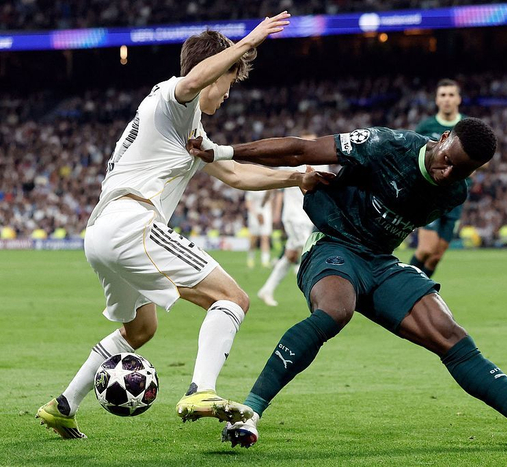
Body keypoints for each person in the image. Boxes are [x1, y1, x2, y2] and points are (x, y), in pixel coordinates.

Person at [187, 119, 507, 449]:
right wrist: (223, 151)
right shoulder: (386, 145)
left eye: (461, 170)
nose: (447, 172)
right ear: (442, 138)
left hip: (380, 261)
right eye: (447, 159)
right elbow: (301, 149)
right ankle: (251, 412)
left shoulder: (454, 193)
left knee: (450, 335)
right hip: (333, 245)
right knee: (335, 310)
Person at [36, 13, 333, 440]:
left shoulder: (188, 127)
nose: (229, 92)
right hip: (132, 224)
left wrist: (297, 177)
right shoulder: (170, 98)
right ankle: (201, 391)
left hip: (102, 232)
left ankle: (64, 406)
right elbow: (192, 80)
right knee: (232, 298)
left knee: (141, 329)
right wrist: (249, 41)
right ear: (213, 70)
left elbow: (235, 174)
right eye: (230, 79)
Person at [257, 132, 329, 307]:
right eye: (308, 142)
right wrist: (266, 205)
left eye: (314, 142)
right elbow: (272, 181)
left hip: (309, 216)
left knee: (290, 255)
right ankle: (322, 297)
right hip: (294, 217)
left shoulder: (322, 163)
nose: (312, 145)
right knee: (312, 253)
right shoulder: (292, 162)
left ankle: (266, 290)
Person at [409, 79, 465, 277]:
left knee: (436, 256)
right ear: (437, 100)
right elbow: (413, 154)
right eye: (443, 95)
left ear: (458, 99)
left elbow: (484, 160)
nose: (447, 99)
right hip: (430, 193)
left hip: (455, 197)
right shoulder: (426, 126)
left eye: (451, 95)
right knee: (426, 249)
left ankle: (420, 289)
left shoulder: (467, 127)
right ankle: (404, 286)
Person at [245, 190, 273, 268]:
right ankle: (250, 258)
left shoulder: (267, 189)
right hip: (254, 214)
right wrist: (256, 214)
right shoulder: (252, 189)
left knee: (265, 237)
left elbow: (270, 201)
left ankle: (265, 260)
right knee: (253, 238)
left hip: (266, 213)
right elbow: (248, 203)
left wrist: (271, 214)